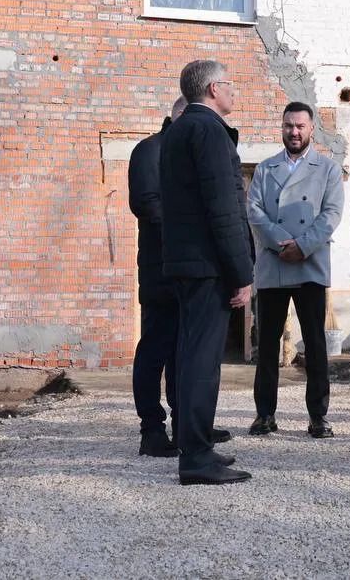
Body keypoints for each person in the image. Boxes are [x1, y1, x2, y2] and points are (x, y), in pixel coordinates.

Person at [160, 60, 255, 485]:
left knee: (189, 355)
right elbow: (224, 210)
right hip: (207, 265)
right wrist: (241, 272)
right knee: (202, 362)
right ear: (214, 88)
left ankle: (194, 442)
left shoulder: (180, 129)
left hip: (185, 261)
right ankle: (196, 457)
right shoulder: (209, 131)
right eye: (230, 84)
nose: (234, 91)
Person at [246, 102, 344, 439]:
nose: (294, 132)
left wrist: (302, 245)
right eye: (289, 125)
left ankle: (318, 416)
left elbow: (331, 214)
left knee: (315, 345)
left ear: (311, 128)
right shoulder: (265, 169)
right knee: (267, 345)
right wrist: (280, 243)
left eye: (300, 126)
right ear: (282, 127)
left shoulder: (327, 169)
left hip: (310, 264)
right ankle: (265, 414)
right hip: (273, 265)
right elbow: (254, 211)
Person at [128, 96, 186, 457]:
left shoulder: (184, 153)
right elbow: (147, 204)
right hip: (160, 272)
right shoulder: (150, 150)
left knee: (184, 353)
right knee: (154, 351)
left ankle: (186, 424)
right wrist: (192, 231)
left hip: (188, 272)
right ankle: (151, 428)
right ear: (179, 115)